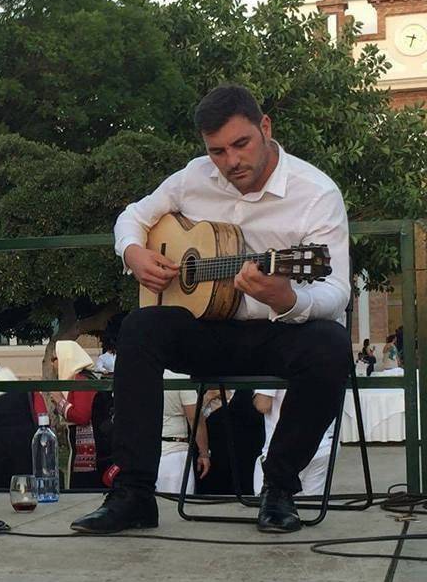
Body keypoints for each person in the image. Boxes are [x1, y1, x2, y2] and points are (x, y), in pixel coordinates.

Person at [71, 84, 350, 535]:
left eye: (241, 145)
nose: (230, 161)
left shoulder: (316, 193)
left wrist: (288, 298)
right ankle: (134, 494)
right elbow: (133, 216)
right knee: (141, 328)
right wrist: (133, 254)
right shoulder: (193, 177)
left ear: (265, 128)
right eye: (217, 151)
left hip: (279, 332)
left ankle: (279, 489)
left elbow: (337, 290)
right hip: (209, 331)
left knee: (331, 345)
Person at [46, 340, 109, 489]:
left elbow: (82, 415)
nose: (52, 364)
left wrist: (60, 402)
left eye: (54, 359)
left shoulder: (81, 380)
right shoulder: (82, 379)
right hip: (86, 453)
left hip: (89, 459)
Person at [253, 389, 335, 496]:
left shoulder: (276, 372)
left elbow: (262, 404)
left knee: (267, 500)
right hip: (320, 444)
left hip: (283, 449)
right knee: (312, 503)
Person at [155, 372, 210, 494]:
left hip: (144, 452)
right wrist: (204, 453)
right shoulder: (180, 376)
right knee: (174, 507)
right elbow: (194, 418)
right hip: (174, 453)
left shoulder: (141, 371)